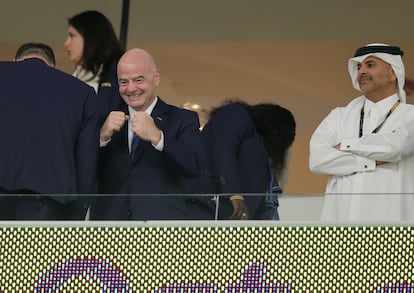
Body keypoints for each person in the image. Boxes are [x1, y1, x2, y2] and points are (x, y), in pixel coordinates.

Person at [91, 48, 212, 220]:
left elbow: (194, 167)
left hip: (162, 230)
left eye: (138, 80)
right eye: (123, 82)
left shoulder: (182, 119)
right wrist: (102, 137)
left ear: (156, 78)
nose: (131, 88)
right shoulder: (105, 122)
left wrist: (158, 137)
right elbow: (85, 173)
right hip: (111, 230)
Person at [309, 43, 414, 222]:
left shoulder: (409, 116)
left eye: (370, 65)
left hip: (393, 226)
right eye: (359, 66)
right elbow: (317, 160)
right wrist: (370, 161)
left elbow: (396, 147)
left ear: (392, 73)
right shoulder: (339, 115)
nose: (361, 71)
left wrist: (347, 146)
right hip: (342, 223)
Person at [0, 44, 99, 220]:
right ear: (54, 67)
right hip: (49, 202)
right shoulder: (81, 92)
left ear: (14, 61)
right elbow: (86, 161)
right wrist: (77, 215)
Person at [198, 100, 296, 220]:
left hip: (234, 220)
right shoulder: (235, 113)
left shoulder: (256, 148)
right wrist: (235, 196)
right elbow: (223, 152)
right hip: (209, 209)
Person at [64, 10, 124, 126]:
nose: (66, 43)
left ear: (90, 37)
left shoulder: (119, 75)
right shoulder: (72, 78)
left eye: (72, 36)